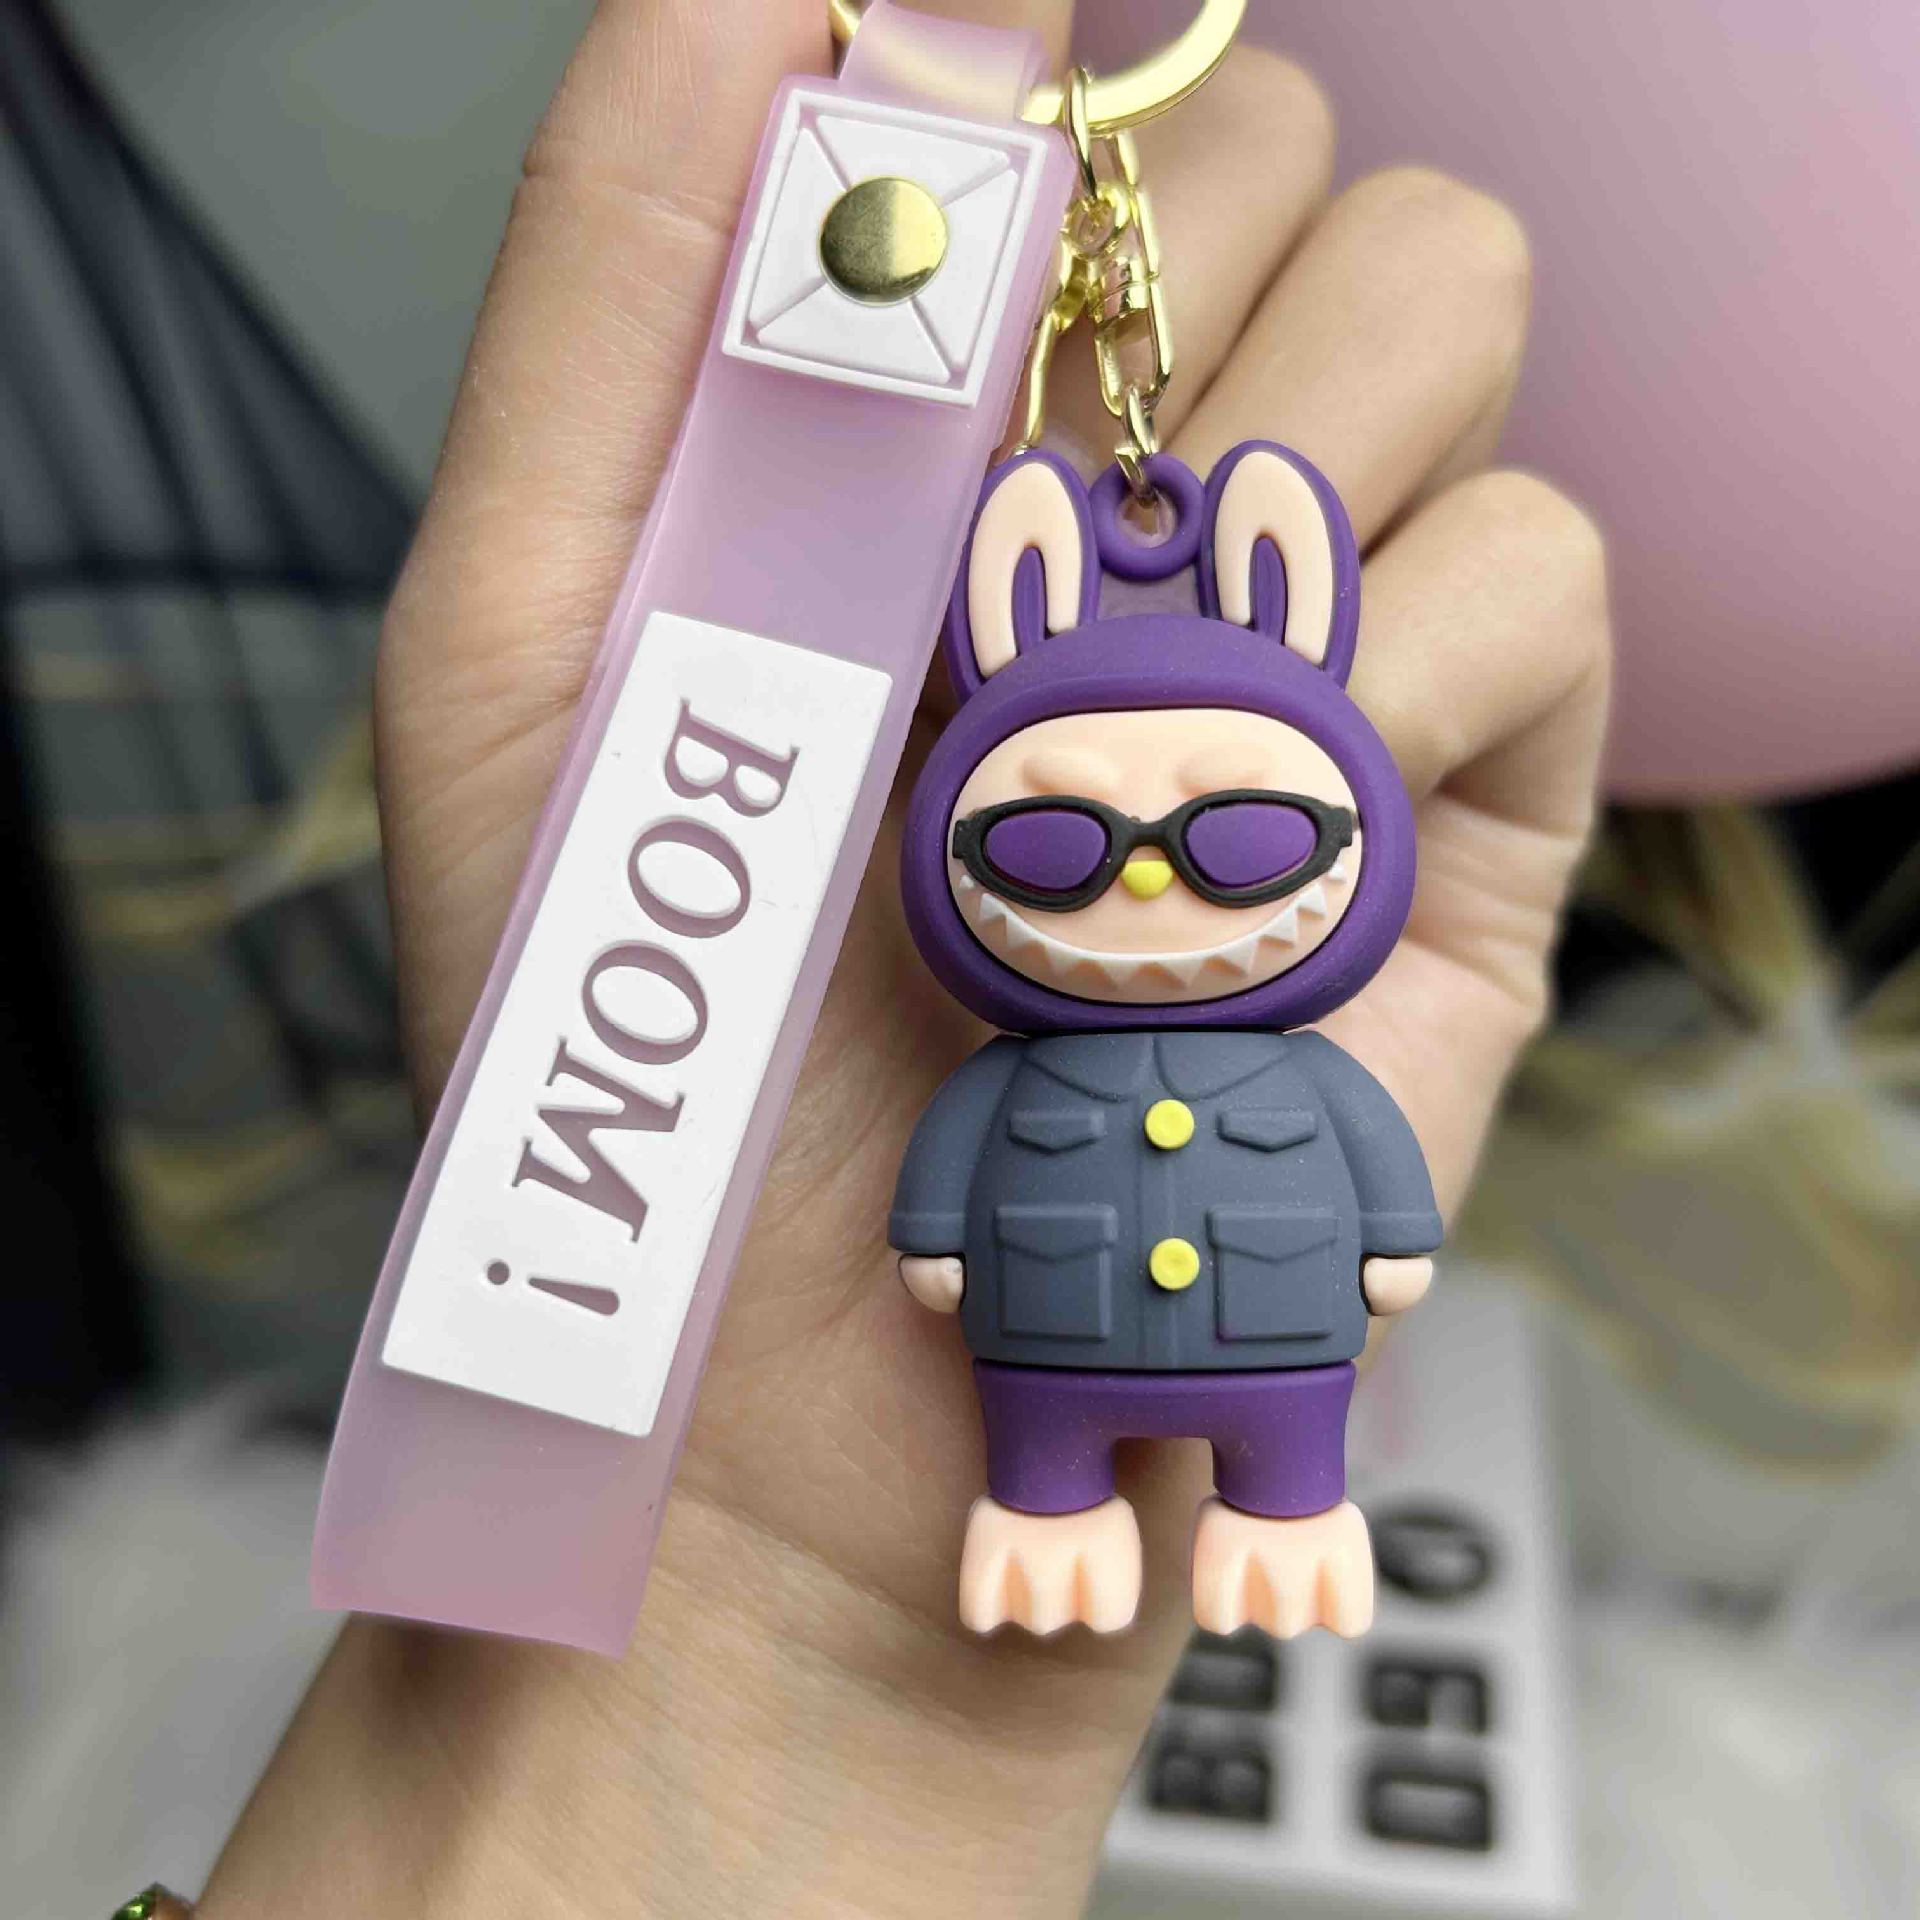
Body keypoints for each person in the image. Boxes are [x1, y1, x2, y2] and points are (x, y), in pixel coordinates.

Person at [192, 3, 1610, 1913]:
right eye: (1055, 846)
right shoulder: (992, 1049)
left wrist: (1389, 1240)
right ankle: (1057, 1502)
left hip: (1264, 1346)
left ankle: (1288, 1501)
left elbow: (1361, 1149)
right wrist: (904, 1291)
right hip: (1027, 1357)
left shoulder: (1297, 1050)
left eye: (1244, 846)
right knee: (1047, 1461)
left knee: (1284, 1449)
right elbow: (948, 1170)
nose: (1149, 881)